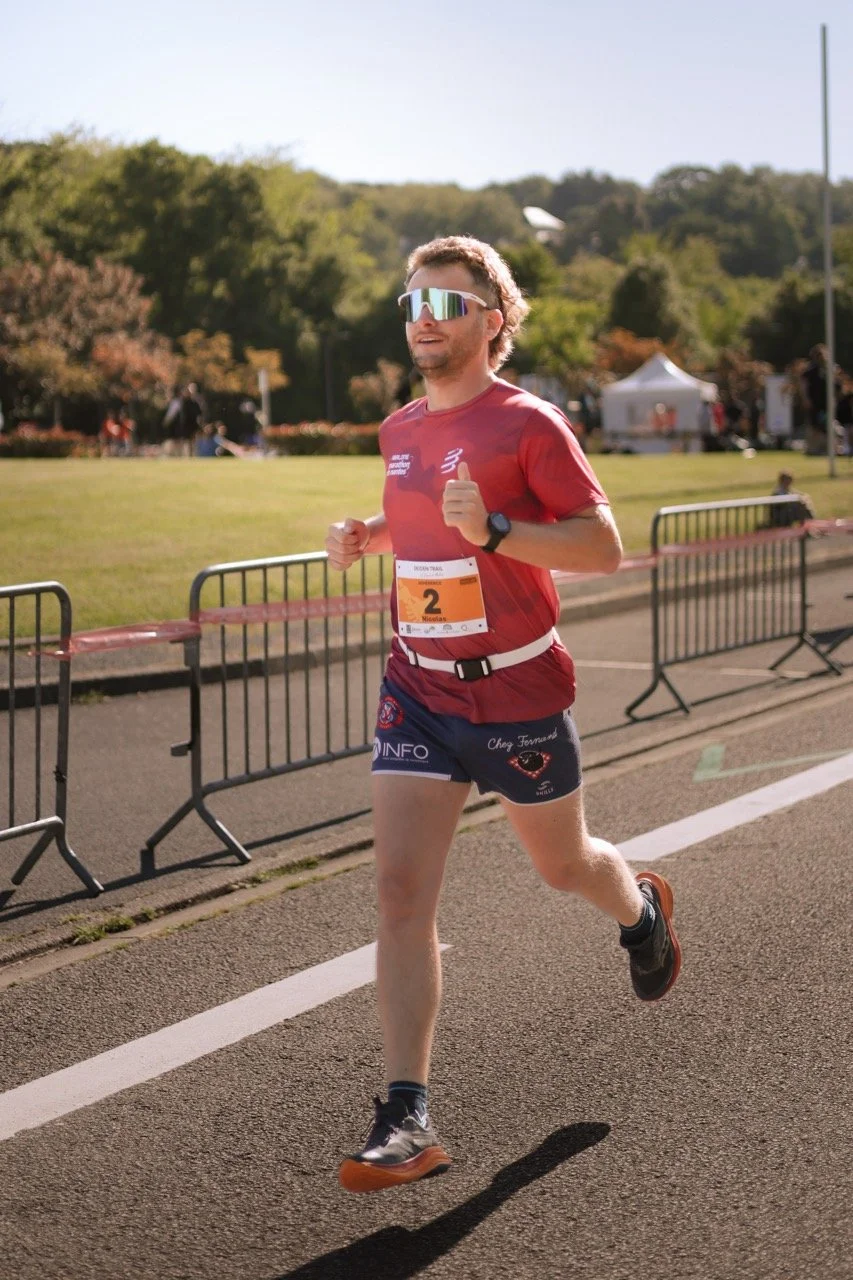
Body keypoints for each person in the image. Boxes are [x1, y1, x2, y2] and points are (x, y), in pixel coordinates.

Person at [325, 236, 682, 1195]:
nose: (424, 318)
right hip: (418, 688)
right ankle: (406, 1113)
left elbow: (601, 547)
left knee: (563, 867)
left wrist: (495, 531)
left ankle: (639, 908)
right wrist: (372, 530)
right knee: (400, 896)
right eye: (413, 302)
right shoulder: (399, 428)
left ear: (492, 319)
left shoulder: (532, 424)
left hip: (515, 691)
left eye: (446, 302)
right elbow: (422, 510)